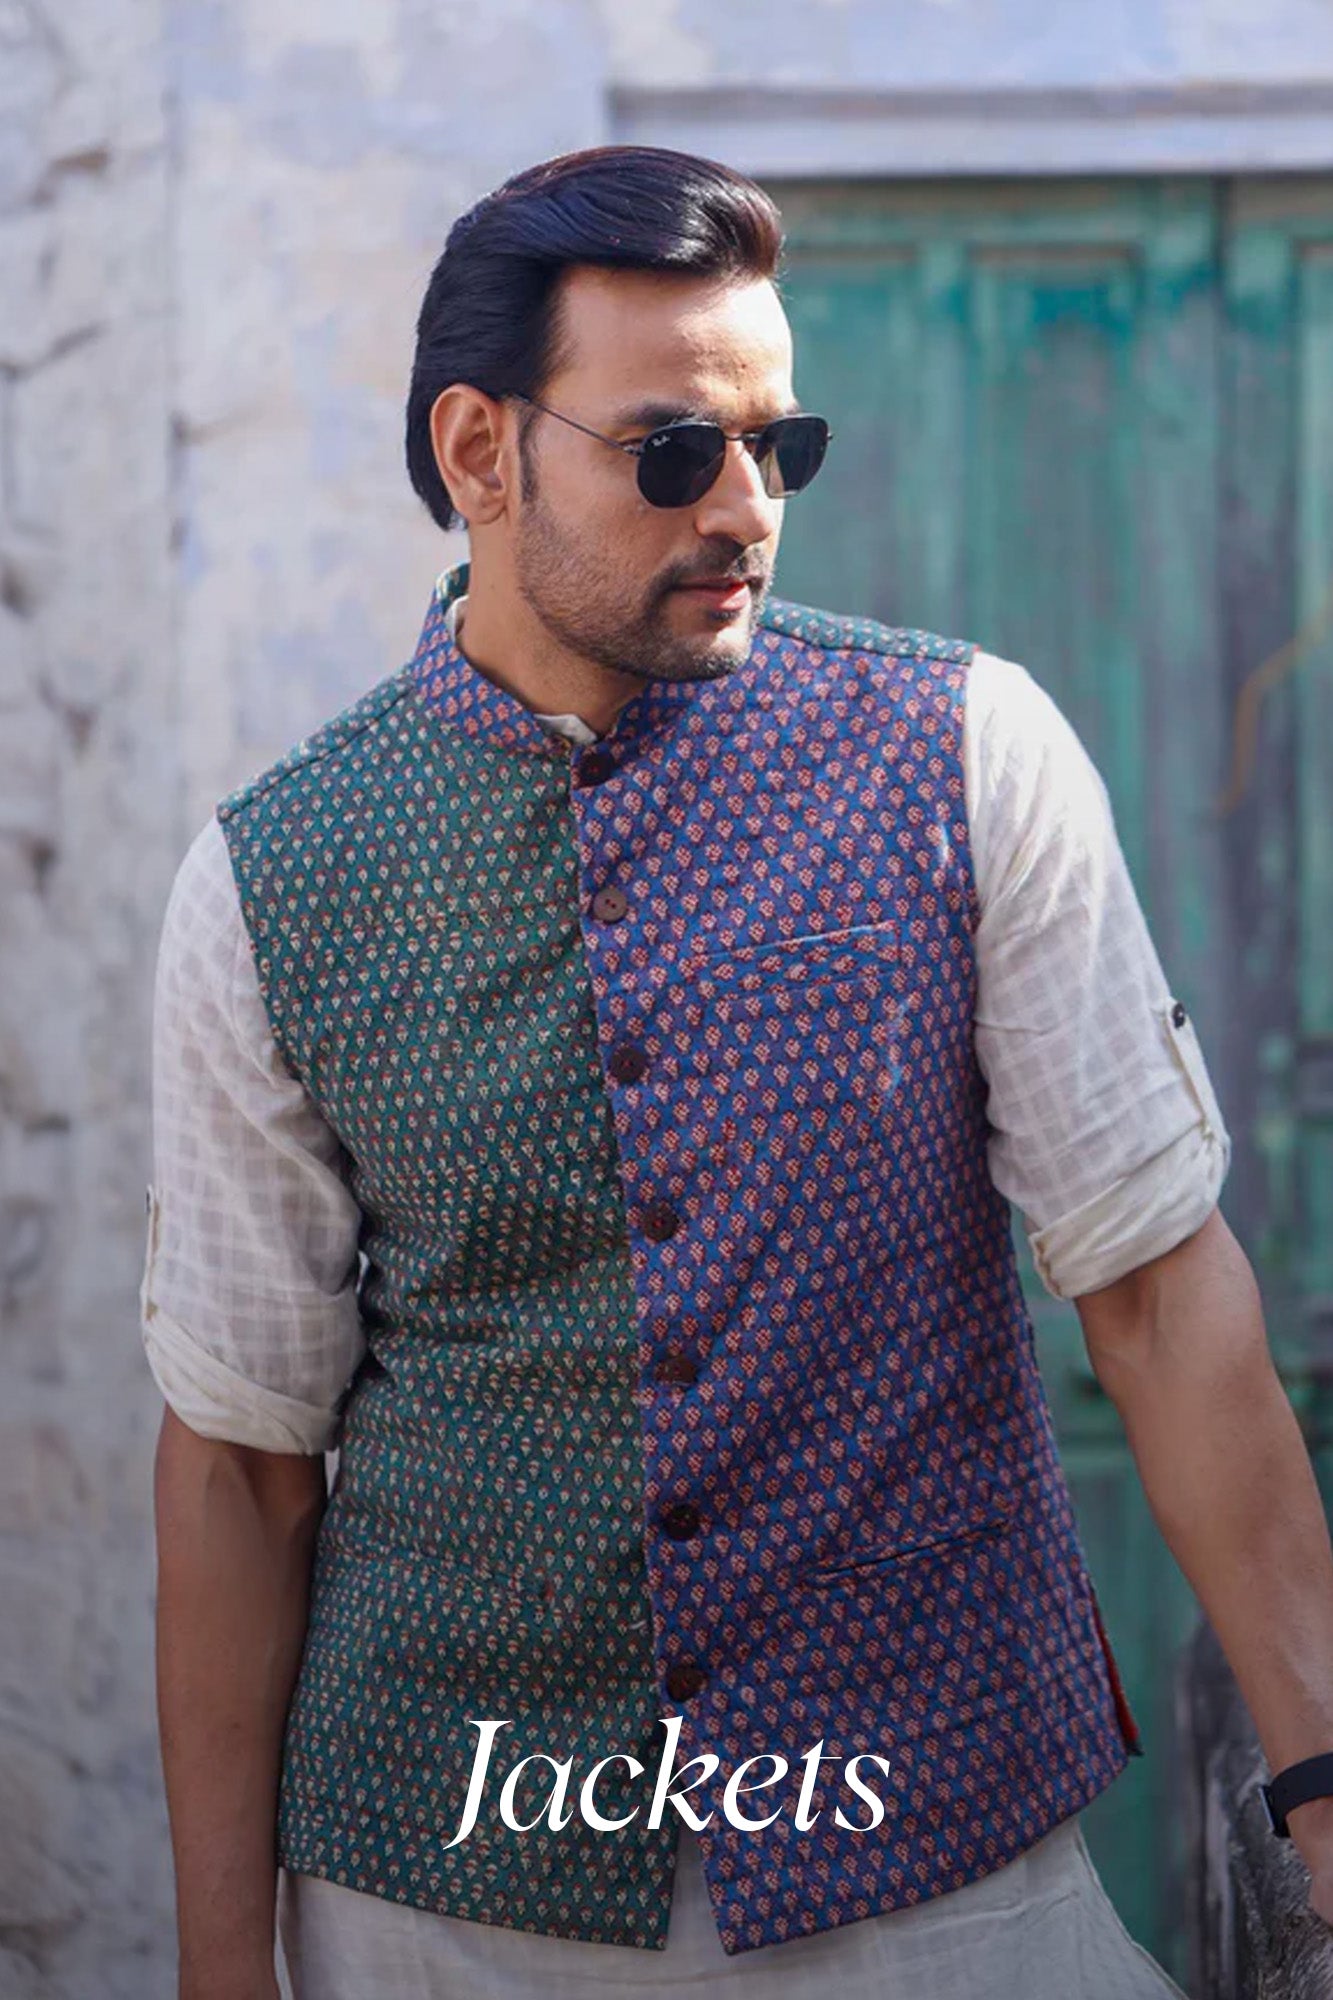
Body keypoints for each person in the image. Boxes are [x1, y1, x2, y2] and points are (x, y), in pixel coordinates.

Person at [141, 145, 1333, 2000]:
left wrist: (1320, 1780)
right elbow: (236, 1462)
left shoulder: (963, 752)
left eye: (780, 447)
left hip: (940, 1859)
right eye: (674, 449)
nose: (746, 507)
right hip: (447, 1898)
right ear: (479, 453)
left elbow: (1158, 1294)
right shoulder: (267, 878)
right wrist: (223, 1970)